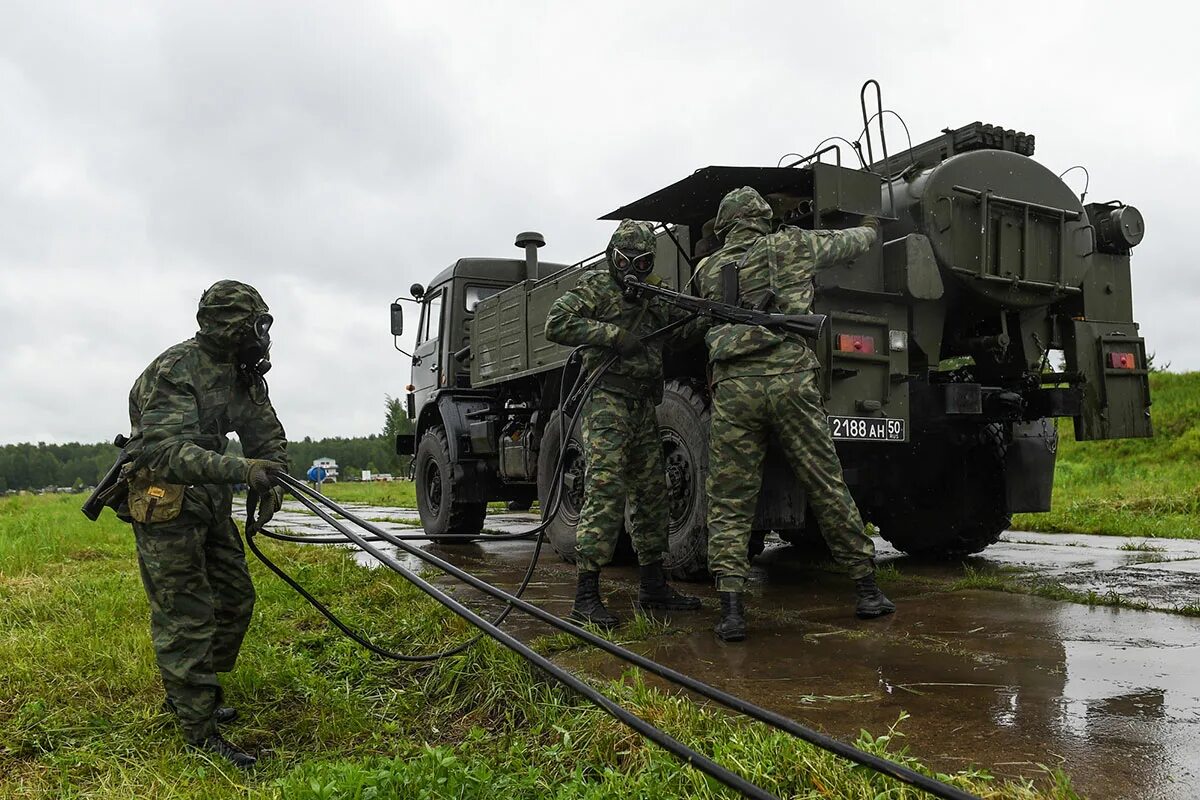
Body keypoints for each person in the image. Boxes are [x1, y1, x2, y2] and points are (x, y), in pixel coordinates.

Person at [695, 186, 895, 642]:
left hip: (735, 390)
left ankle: (730, 610)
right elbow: (849, 245)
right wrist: (869, 227)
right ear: (763, 219)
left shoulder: (707, 270)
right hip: (792, 382)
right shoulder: (794, 244)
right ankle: (866, 591)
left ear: (726, 225)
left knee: (729, 498)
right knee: (826, 484)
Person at [124, 280, 288, 767]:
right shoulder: (176, 370)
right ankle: (198, 730)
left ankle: (194, 692)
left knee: (235, 599)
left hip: (210, 500)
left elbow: (265, 434)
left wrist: (272, 480)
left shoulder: (241, 375)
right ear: (229, 327)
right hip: (166, 500)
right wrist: (244, 471)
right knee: (187, 614)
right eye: (253, 326)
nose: (260, 337)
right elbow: (165, 451)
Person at [544, 219, 701, 628]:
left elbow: (684, 328)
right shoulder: (596, 288)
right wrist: (612, 335)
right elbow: (556, 322)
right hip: (607, 403)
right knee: (605, 492)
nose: (632, 269)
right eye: (624, 260)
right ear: (612, 257)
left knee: (653, 494)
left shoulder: (653, 296)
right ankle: (586, 596)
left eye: (643, 262)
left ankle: (652, 586)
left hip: (643, 405)